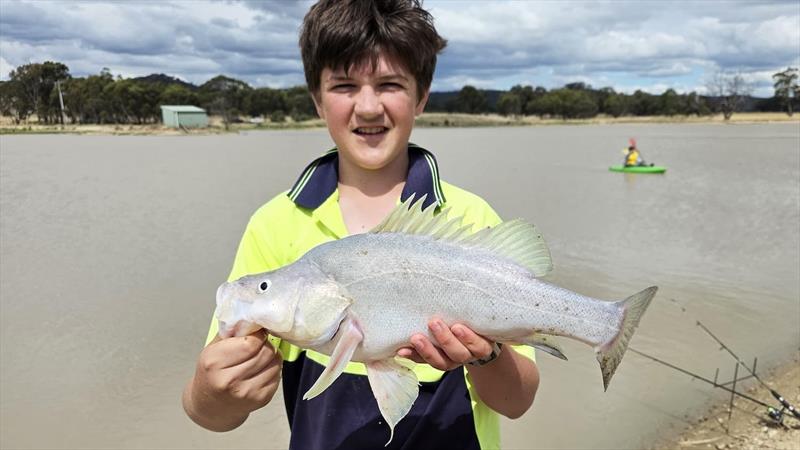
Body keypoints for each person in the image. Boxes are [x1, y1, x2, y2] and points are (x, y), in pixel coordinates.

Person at [181, 1, 540, 449]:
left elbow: (517, 401)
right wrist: (213, 390)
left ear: (421, 96)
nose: (368, 107)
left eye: (390, 84)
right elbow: (210, 416)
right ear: (317, 99)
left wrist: (485, 356)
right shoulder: (274, 225)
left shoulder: (469, 217)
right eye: (344, 86)